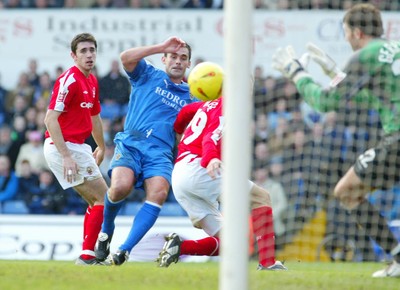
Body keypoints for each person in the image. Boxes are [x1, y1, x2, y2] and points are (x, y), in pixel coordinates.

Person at [272, 3, 400, 277]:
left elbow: (325, 102)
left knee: (346, 192)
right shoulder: (393, 48)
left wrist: (298, 74)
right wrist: (333, 72)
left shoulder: (364, 56)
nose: (346, 39)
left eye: (345, 32)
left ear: (355, 32)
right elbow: (373, 99)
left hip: (397, 139)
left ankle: (398, 258)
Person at [94, 36, 194, 266]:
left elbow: (186, 134)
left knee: (158, 193)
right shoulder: (149, 74)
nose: (178, 61)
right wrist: (161, 45)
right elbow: (125, 58)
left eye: (183, 58)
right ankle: (106, 231)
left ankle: (123, 250)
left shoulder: (192, 97)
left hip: (160, 153)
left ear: (189, 64)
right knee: (120, 188)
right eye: (173, 56)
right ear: (164, 59)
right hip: (132, 143)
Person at [156, 96, 287, 271]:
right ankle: (268, 263)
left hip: (179, 174)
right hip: (200, 168)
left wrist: (179, 131)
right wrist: (211, 159)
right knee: (261, 197)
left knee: (234, 243)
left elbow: (185, 112)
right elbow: (211, 136)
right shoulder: (228, 106)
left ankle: (179, 247)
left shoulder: (206, 105)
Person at [43, 33, 109, 266]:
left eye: (92, 50)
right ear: (73, 55)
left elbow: (95, 117)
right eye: (83, 51)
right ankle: (89, 253)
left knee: (98, 200)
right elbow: (50, 120)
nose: (89, 55)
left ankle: (88, 254)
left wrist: (101, 146)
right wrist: (66, 156)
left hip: (78, 147)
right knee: (104, 198)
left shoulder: (92, 80)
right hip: (63, 146)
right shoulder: (68, 80)